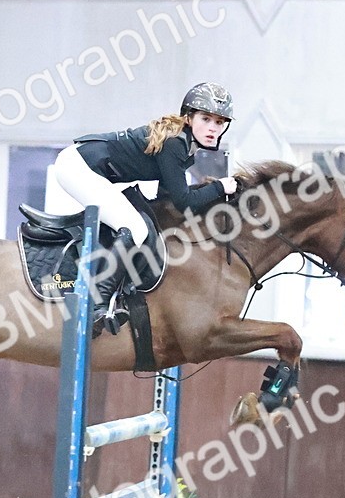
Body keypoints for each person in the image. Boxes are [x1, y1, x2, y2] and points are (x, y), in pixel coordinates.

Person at [53, 82, 239, 336]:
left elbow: (170, 199)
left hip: (86, 166)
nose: (213, 128)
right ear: (189, 117)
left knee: (138, 224)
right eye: (206, 119)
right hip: (78, 167)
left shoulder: (185, 146)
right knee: (134, 228)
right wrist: (219, 188)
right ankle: (98, 305)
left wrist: (214, 192)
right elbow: (184, 201)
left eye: (219, 122)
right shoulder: (175, 144)